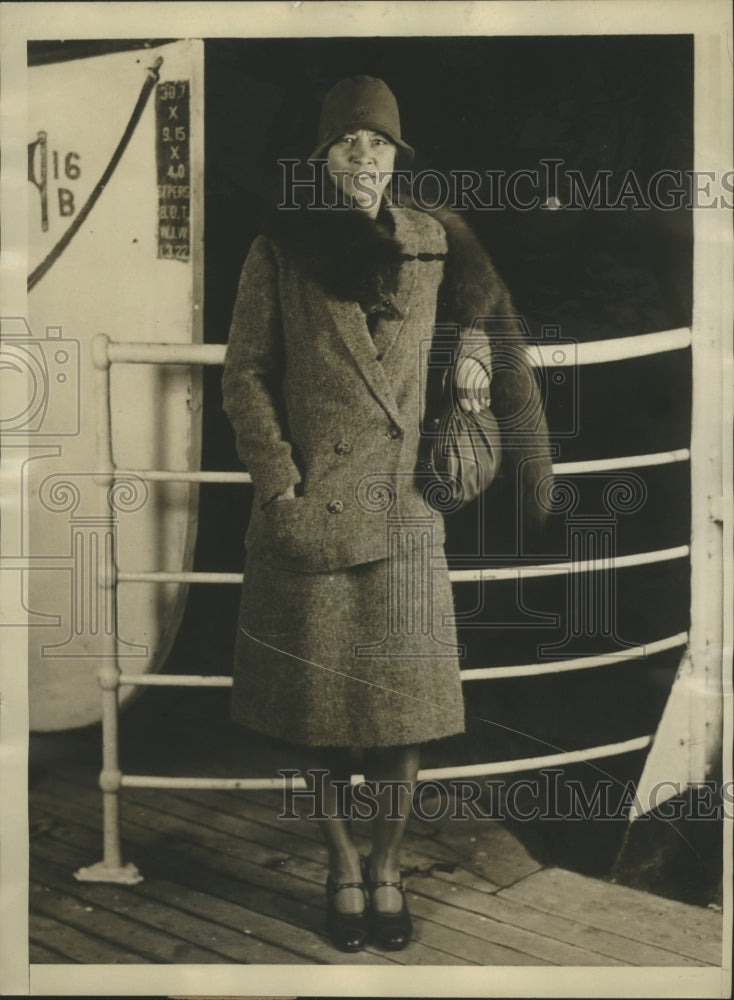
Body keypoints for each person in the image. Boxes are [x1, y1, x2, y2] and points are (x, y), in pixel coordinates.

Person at [222, 75, 551, 953]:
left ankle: (387, 867)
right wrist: (278, 484)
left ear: (397, 162)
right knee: (316, 716)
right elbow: (245, 375)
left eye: (379, 147)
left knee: (404, 718)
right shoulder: (279, 250)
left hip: (404, 512)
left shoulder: (435, 243)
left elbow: (478, 308)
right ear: (322, 160)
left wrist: (476, 350)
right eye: (348, 145)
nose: (364, 160)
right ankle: (339, 865)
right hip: (311, 517)